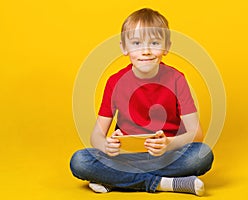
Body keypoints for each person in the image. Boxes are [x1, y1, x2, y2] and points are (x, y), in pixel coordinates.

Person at [70, 8, 214, 196]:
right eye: (136, 43)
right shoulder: (114, 82)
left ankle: (115, 180)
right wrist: (106, 146)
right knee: (80, 160)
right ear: (124, 48)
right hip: (126, 156)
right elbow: (96, 135)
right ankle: (163, 183)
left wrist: (168, 144)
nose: (145, 51)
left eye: (154, 43)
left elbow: (197, 132)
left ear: (166, 47)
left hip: (165, 156)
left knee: (201, 155)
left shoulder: (177, 79)